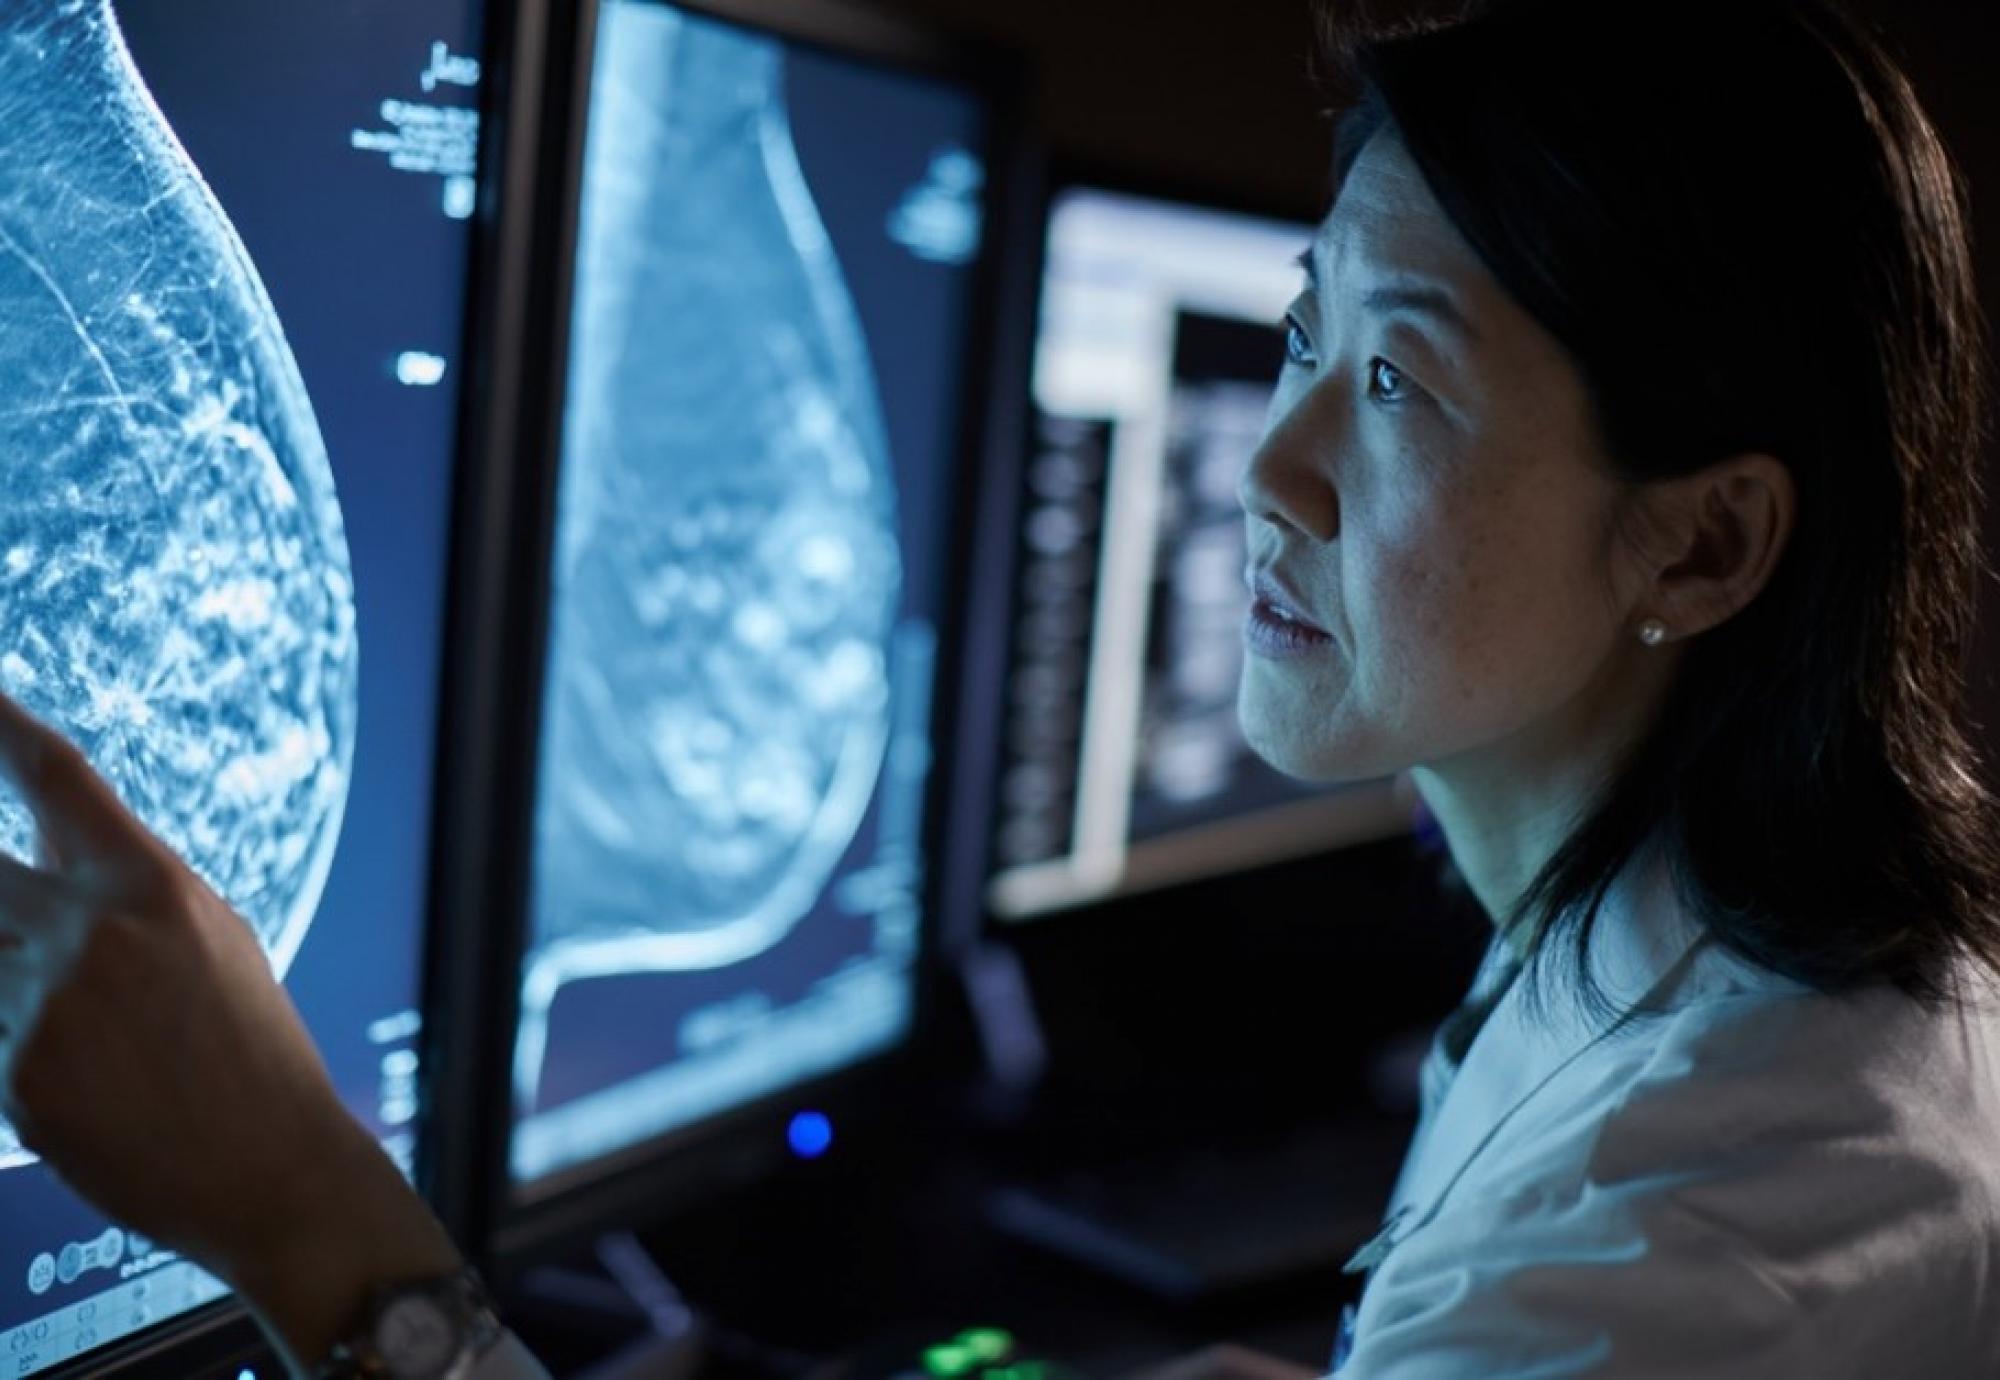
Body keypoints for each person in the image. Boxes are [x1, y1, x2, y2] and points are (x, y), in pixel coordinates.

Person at [3, 0, 1997, 1373]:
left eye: (1395, 381)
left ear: (1703, 545)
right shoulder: (1712, 978)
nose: (1273, 464)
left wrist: (303, 1220)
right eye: (1303, 330)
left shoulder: (1699, 1253)